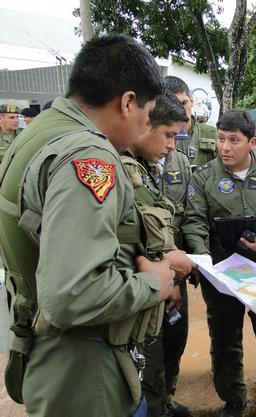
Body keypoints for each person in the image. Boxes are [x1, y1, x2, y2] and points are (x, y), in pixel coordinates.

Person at [0, 34, 177, 417]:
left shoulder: (42, 131)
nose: (143, 129)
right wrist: (155, 283)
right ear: (128, 102)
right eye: (146, 118)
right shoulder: (89, 156)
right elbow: (72, 294)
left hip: (56, 357)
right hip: (82, 369)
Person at [183, 109, 256, 417]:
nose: (225, 147)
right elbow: (194, 221)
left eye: (234, 140)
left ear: (252, 143)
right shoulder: (204, 176)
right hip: (221, 274)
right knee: (224, 339)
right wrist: (201, 255)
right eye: (221, 139)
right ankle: (233, 400)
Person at [123, 92, 197, 417]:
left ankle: (163, 403)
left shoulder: (150, 165)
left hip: (164, 281)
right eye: (168, 135)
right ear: (145, 122)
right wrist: (163, 268)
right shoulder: (124, 169)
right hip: (141, 289)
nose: (172, 146)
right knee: (146, 365)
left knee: (171, 346)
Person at [164, 75, 217, 167]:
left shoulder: (212, 133)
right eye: (174, 105)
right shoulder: (157, 138)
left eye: (184, 103)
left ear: (192, 100)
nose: (180, 110)